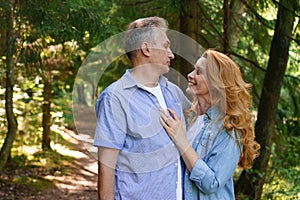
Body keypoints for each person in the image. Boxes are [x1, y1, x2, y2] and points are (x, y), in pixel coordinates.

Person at [93, 16, 191, 200]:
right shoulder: (115, 97)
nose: (171, 54)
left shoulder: (173, 92)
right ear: (146, 49)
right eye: (165, 46)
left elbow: (204, 120)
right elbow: (106, 168)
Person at [160, 49, 261, 199]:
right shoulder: (188, 118)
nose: (190, 75)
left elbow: (211, 183)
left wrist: (181, 141)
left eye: (199, 72)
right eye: (194, 69)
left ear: (215, 83)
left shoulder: (229, 129)